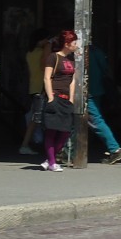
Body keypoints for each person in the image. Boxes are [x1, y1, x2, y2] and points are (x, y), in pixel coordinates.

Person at [40, 30, 79, 172]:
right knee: (51, 131)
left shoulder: (71, 59)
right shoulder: (53, 57)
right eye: (75, 43)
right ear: (67, 44)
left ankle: (50, 159)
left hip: (66, 99)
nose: (77, 45)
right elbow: (47, 77)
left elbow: (72, 80)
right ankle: (52, 162)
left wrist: (72, 98)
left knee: (65, 132)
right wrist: (50, 97)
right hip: (55, 96)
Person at [87, 43, 121, 163]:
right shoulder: (97, 50)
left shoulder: (81, 52)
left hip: (88, 90)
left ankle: (115, 149)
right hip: (97, 88)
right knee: (86, 119)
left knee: (94, 120)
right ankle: (67, 150)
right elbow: (105, 68)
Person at [19, 29, 49, 155]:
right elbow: (44, 65)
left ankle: (26, 144)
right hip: (41, 88)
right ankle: (25, 145)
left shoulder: (29, 53)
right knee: (37, 118)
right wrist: (49, 46)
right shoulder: (42, 52)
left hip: (34, 87)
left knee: (35, 118)